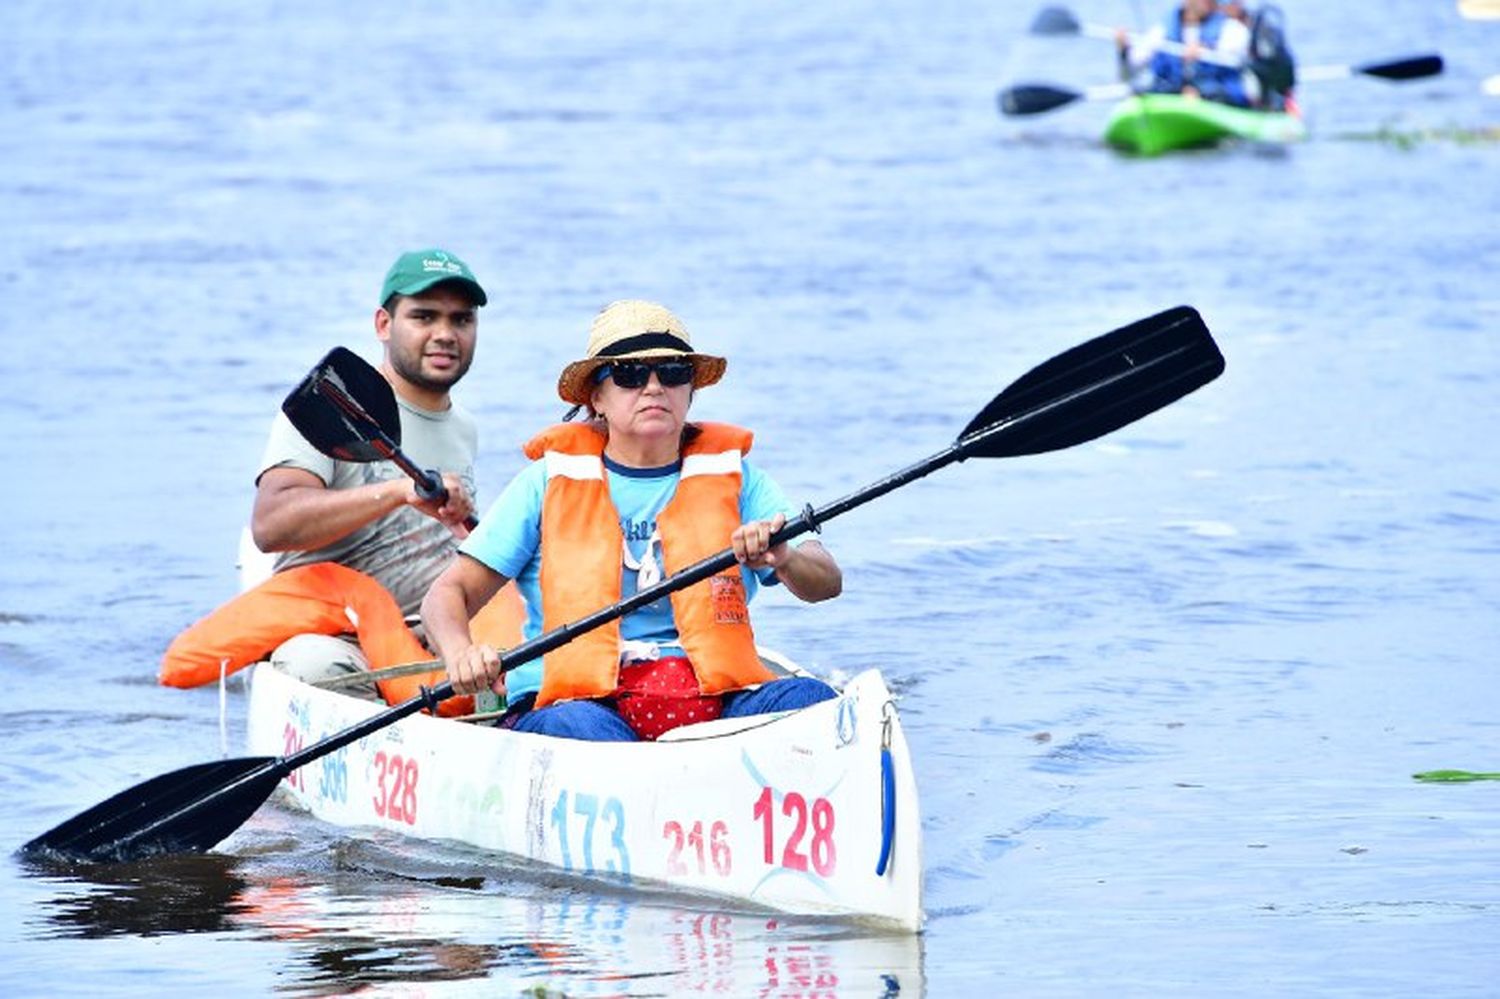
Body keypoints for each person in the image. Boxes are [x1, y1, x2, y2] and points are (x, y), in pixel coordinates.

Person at [421, 299, 841, 741]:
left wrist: (786, 558)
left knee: (813, 700)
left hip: (714, 699)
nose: (655, 388)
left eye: (673, 373)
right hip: (574, 704)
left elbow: (827, 580)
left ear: (691, 391)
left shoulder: (741, 480)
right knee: (581, 728)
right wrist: (460, 653)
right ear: (596, 398)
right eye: (630, 375)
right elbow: (446, 595)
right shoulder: (543, 484)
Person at [159, 248, 520, 716]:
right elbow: (270, 526)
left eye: (461, 320)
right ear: (383, 325)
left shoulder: (464, 427)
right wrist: (397, 493)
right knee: (317, 666)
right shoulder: (330, 411)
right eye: (424, 317)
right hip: (338, 633)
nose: (445, 335)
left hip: (438, 638)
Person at [1116, 0, 1252, 107]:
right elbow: (1131, 69)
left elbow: (1237, 56)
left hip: (1216, 96)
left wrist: (1205, 52)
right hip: (1173, 93)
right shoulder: (1163, 31)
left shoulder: (1232, 30)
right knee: (1146, 91)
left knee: (1198, 94)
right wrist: (1124, 49)